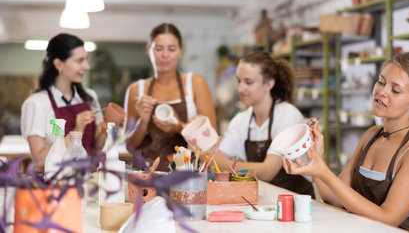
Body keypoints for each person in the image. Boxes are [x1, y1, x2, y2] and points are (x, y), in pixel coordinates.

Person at [283, 52, 409, 232]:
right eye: (381, 82)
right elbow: (333, 198)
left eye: (395, 90)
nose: (382, 92)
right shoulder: (372, 135)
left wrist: (324, 172)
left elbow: (388, 219)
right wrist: (316, 157)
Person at [215, 51, 314, 196]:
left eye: (248, 82)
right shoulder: (241, 120)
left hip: (296, 203)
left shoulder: (288, 116)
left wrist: (226, 165)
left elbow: (268, 171)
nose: (241, 88)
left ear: (269, 84)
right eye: (239, 81)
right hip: (263, 200)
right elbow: (216, 159)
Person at [124, 23, 216, 171]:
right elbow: (130, 146)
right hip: (146, 174)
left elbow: (209, 141)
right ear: (149, 50)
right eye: (159, 49)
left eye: (172, 49)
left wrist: (178, 127)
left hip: (186, 174)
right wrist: (143, 121)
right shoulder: (136, 90)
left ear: (181, 51)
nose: (165, 55)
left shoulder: (196, 83)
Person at [21, 33, 106, 169]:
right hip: (58, 182)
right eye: (80, 60)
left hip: (91, 179)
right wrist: (78, 129)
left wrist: (104, 131)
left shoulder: (89, 97)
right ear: (59, 64)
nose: (87, 66)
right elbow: (39, 160)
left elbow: (95, 147)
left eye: (86, 60)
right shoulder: (36, 104)